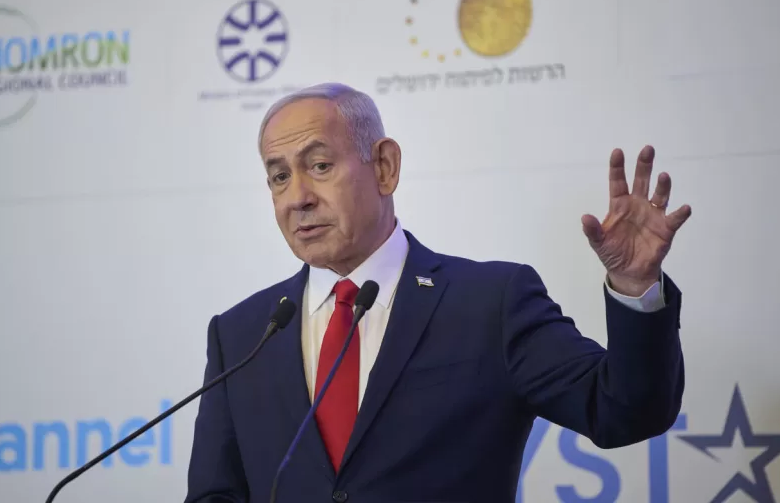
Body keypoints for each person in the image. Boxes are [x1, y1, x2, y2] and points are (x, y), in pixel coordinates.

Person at [184, 83, 692, 503]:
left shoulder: (490, 304)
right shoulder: (243, 334)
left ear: (384, 167)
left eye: (319, 166)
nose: (298, 198)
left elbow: (624, 410)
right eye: (279, 176)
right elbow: (214, 494)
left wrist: (635, 286)